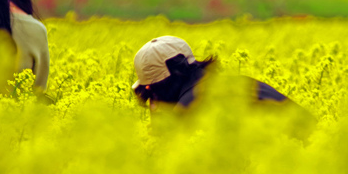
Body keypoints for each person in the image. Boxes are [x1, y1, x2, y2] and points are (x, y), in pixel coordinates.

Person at [132, 36, 311, 120]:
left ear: (161, 86)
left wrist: (163, 126)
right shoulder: (240, 81)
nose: (150, 99)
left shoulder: (190, 106)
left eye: (148, 90)